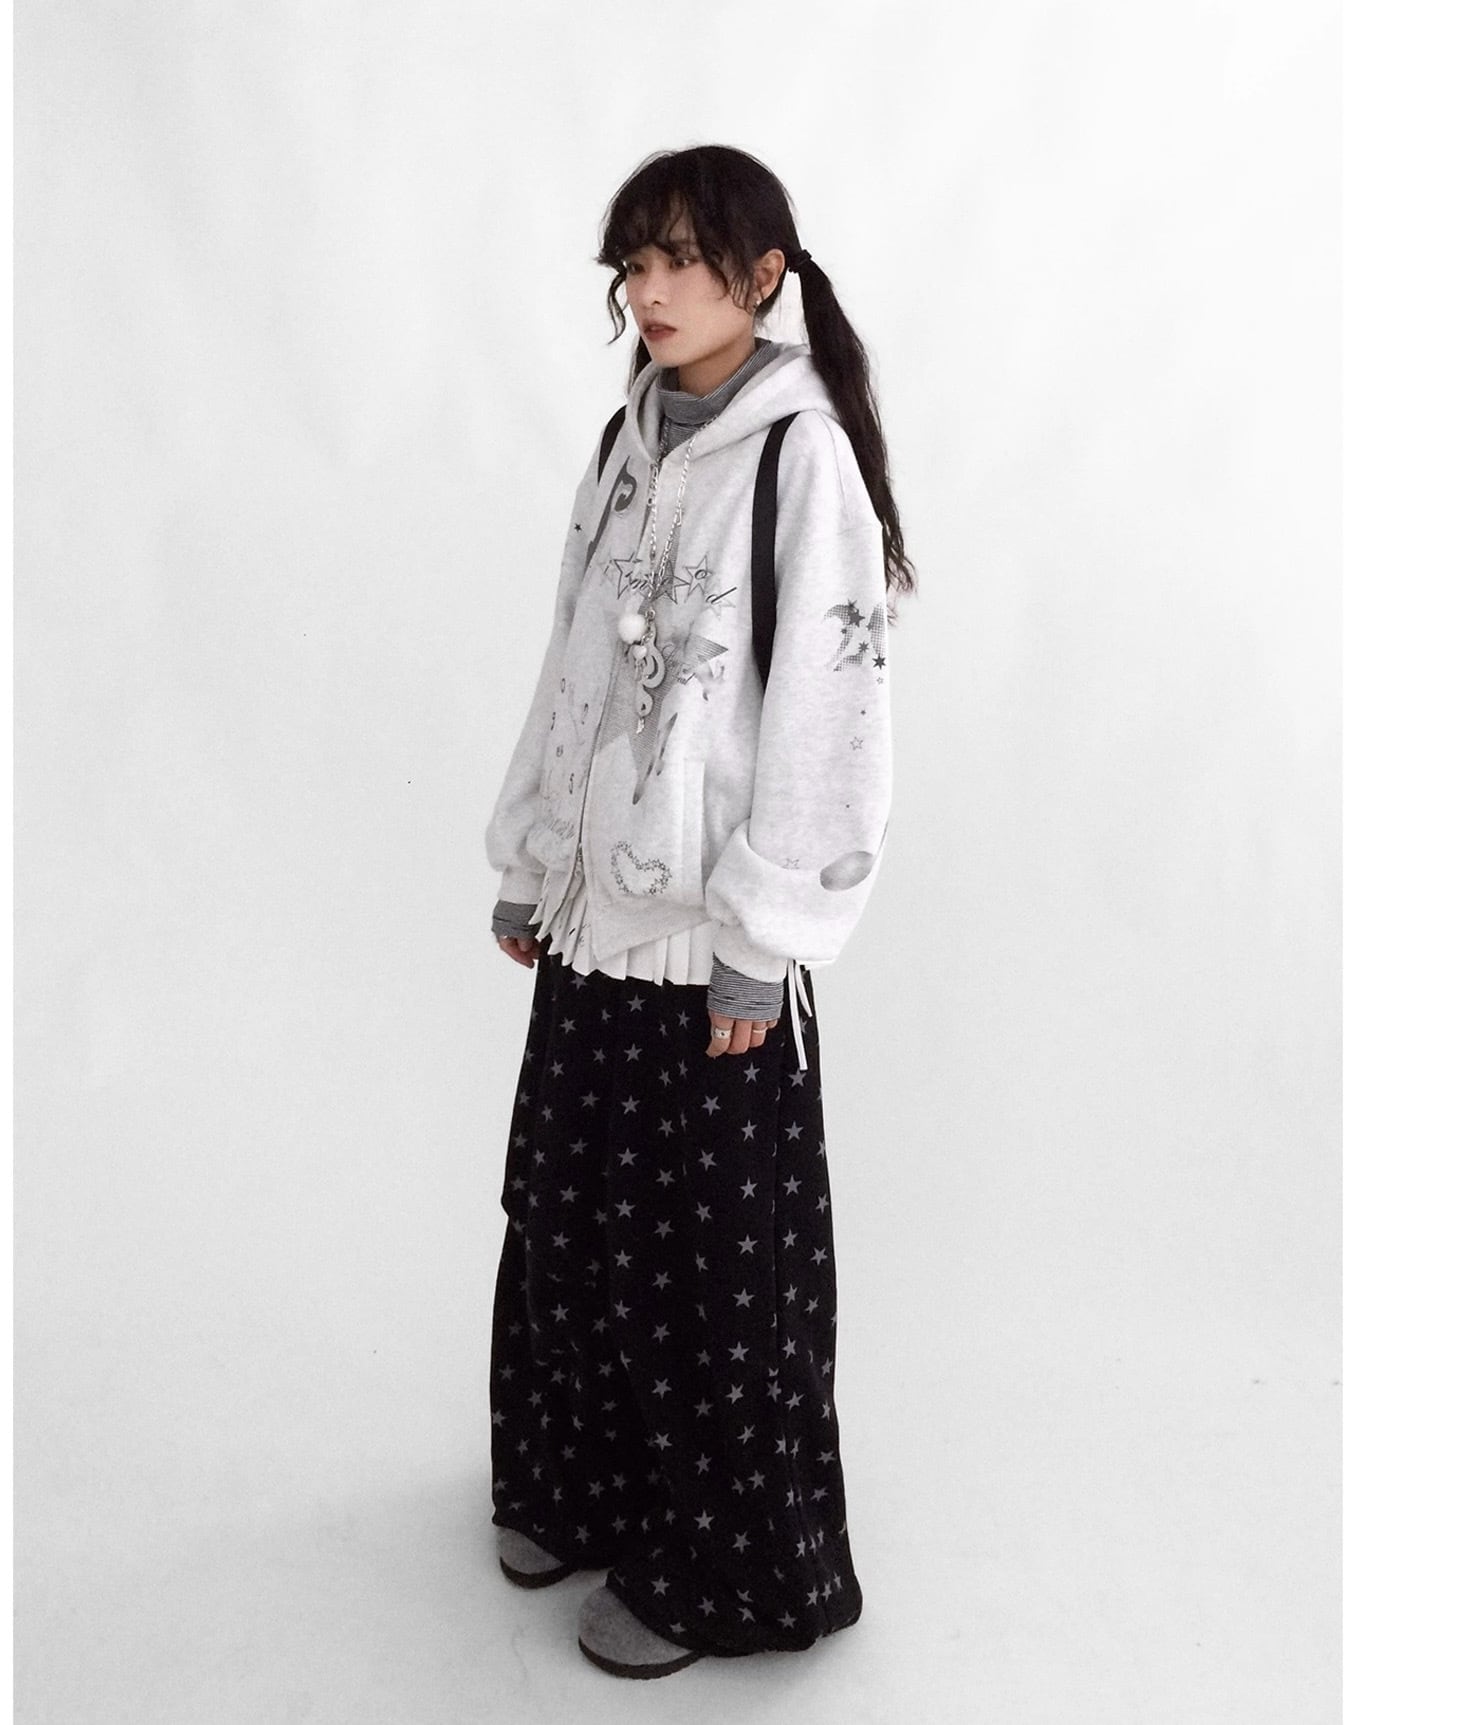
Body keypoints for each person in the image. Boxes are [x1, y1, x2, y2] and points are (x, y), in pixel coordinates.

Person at [481, 143, 915, 1682]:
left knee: (709, 1277)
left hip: (708, 949)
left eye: (678, 259)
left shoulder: (799, 459)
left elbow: (830, 715)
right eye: (632, 264)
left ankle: (727, 1571)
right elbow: (574, 660)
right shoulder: (629, 437)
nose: (648, 290)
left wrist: (762, 941)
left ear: (762, 275)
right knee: (567, 1219)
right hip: (594, 920)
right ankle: (581, 1489)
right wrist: (535, 855)